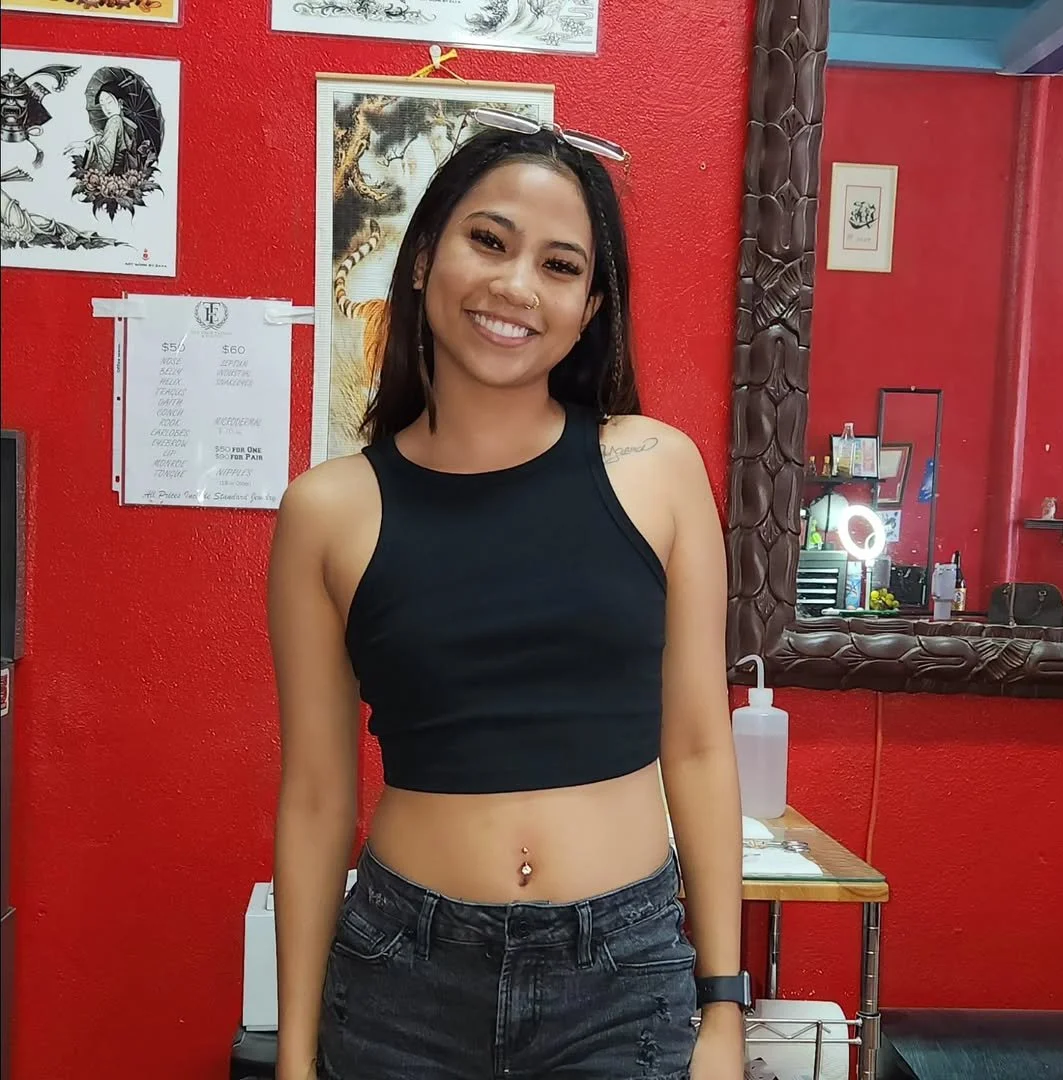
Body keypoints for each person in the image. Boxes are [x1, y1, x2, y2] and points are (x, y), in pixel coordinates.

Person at [269, 111, 746, 1080]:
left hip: (619, 981)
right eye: (488, 241)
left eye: (560, 266)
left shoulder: (658, 471)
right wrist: (295, 1054)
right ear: (419, 261)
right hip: (405, 978)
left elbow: (697, 747)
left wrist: (724, 1011)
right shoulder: (327, 511)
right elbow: (318, 798)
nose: (515, 286)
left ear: (590, 307)